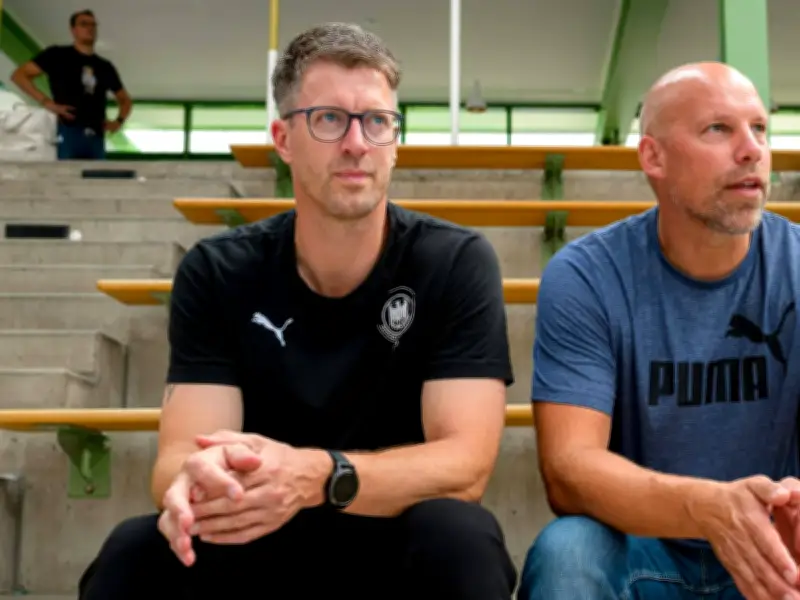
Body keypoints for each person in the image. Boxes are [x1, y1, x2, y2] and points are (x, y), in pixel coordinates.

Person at [77, 22, 517, 600]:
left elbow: (465, 466)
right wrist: (192, 479)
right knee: (134, 550)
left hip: (389, 533)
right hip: (257, 530)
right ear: (283, 139)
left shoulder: (453, 261)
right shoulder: (219, 269)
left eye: (377, 121)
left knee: (460, 537)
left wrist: (316, 476)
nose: (356, 143)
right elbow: (177, 458)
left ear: (394, 140)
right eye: (329, 119)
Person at [518, 61, 800, 600]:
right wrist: (707, 508)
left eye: (760, 128)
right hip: (645, 551)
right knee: (568, 552)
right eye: (718, 129)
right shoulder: (588, 275)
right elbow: (569, 471)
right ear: (654, 157)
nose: (752, 150)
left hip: (775, 550)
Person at [10, 9, 132, 160]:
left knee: (96, 175)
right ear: (73, 30)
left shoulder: (105, 66)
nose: (90, 28)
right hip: (67, 129)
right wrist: (47, 102)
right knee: (66, 173)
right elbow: (19, 76)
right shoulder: (57, 55)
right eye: (84, 24)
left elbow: (125, 100)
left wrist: (118, 121)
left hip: (96, 135)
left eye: (93, 25)